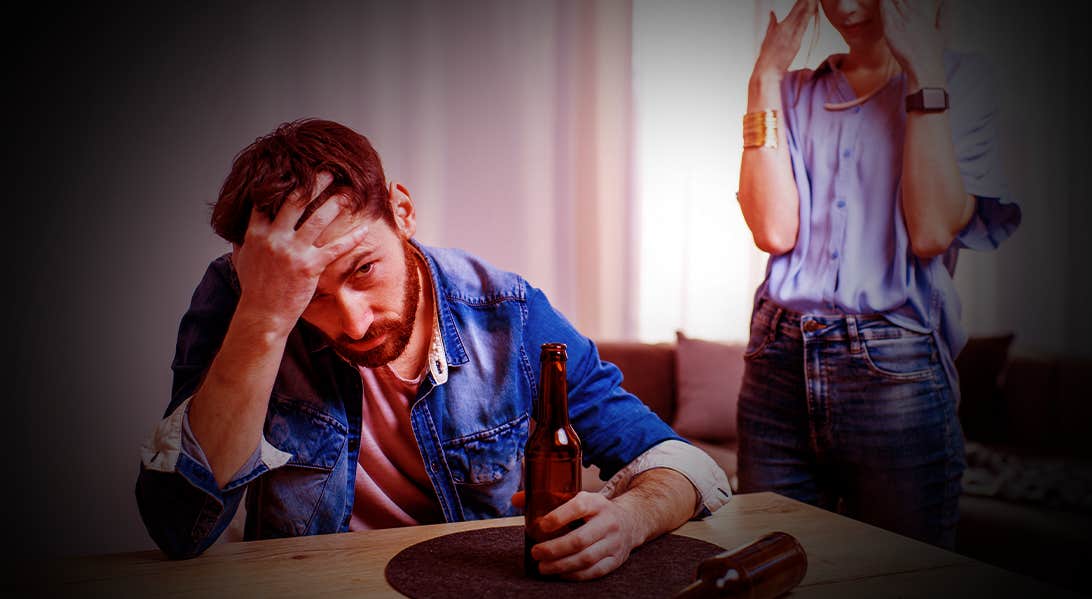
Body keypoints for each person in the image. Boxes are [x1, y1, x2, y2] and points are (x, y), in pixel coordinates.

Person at [136, 118, 730, 578]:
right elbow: (179, 527)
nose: (354, 320)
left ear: (402, 211)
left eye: (364, 269)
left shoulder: (510, 312)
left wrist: (628, 519)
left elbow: (679, 461)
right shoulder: (243, 301)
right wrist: (265, 317)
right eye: (309, 294)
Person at [735, 0, 1020, 549]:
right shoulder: (790, 91)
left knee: (898, 575)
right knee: (768, 574)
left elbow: (933, 228)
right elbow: (773, 230)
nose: (844, 7)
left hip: (896, 371)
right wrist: (764, 76)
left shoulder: (966, 80)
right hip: (776, 362)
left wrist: (925, 74)